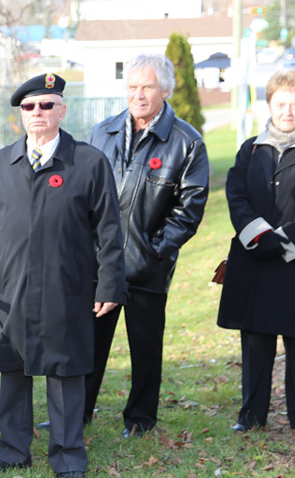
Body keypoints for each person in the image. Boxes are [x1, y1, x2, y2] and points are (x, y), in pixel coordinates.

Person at [0, 73, 125, 478]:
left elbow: (109, 231)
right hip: (11, 288)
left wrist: (109, 284)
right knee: (14, 369)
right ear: (20, 114)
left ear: (62, 110)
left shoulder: (88, 162)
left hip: (67, 286)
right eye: (30, 107)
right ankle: (13, 450)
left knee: (65, 370)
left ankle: (69, 456)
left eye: (47, 105)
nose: (38, 113)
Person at [83, 54, 209, 437]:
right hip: (98, 264)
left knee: (145, 346)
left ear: (165, 90)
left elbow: (190, 208)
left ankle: (140, 419)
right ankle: (78, 412)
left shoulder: (187, 142)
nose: (138, 95)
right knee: (89, 345)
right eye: (132, 87)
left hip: (147, 265)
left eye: (147, 87)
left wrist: (153, 250)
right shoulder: (100, 133)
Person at [217, 69, 295, 441]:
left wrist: (285, 239)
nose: (288, 110)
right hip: (255, 259)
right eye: (280, 103)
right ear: (269, 104)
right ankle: (251, 415)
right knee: (256, 342)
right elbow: (236, 194)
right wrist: (259, 235)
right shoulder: (250, 149)